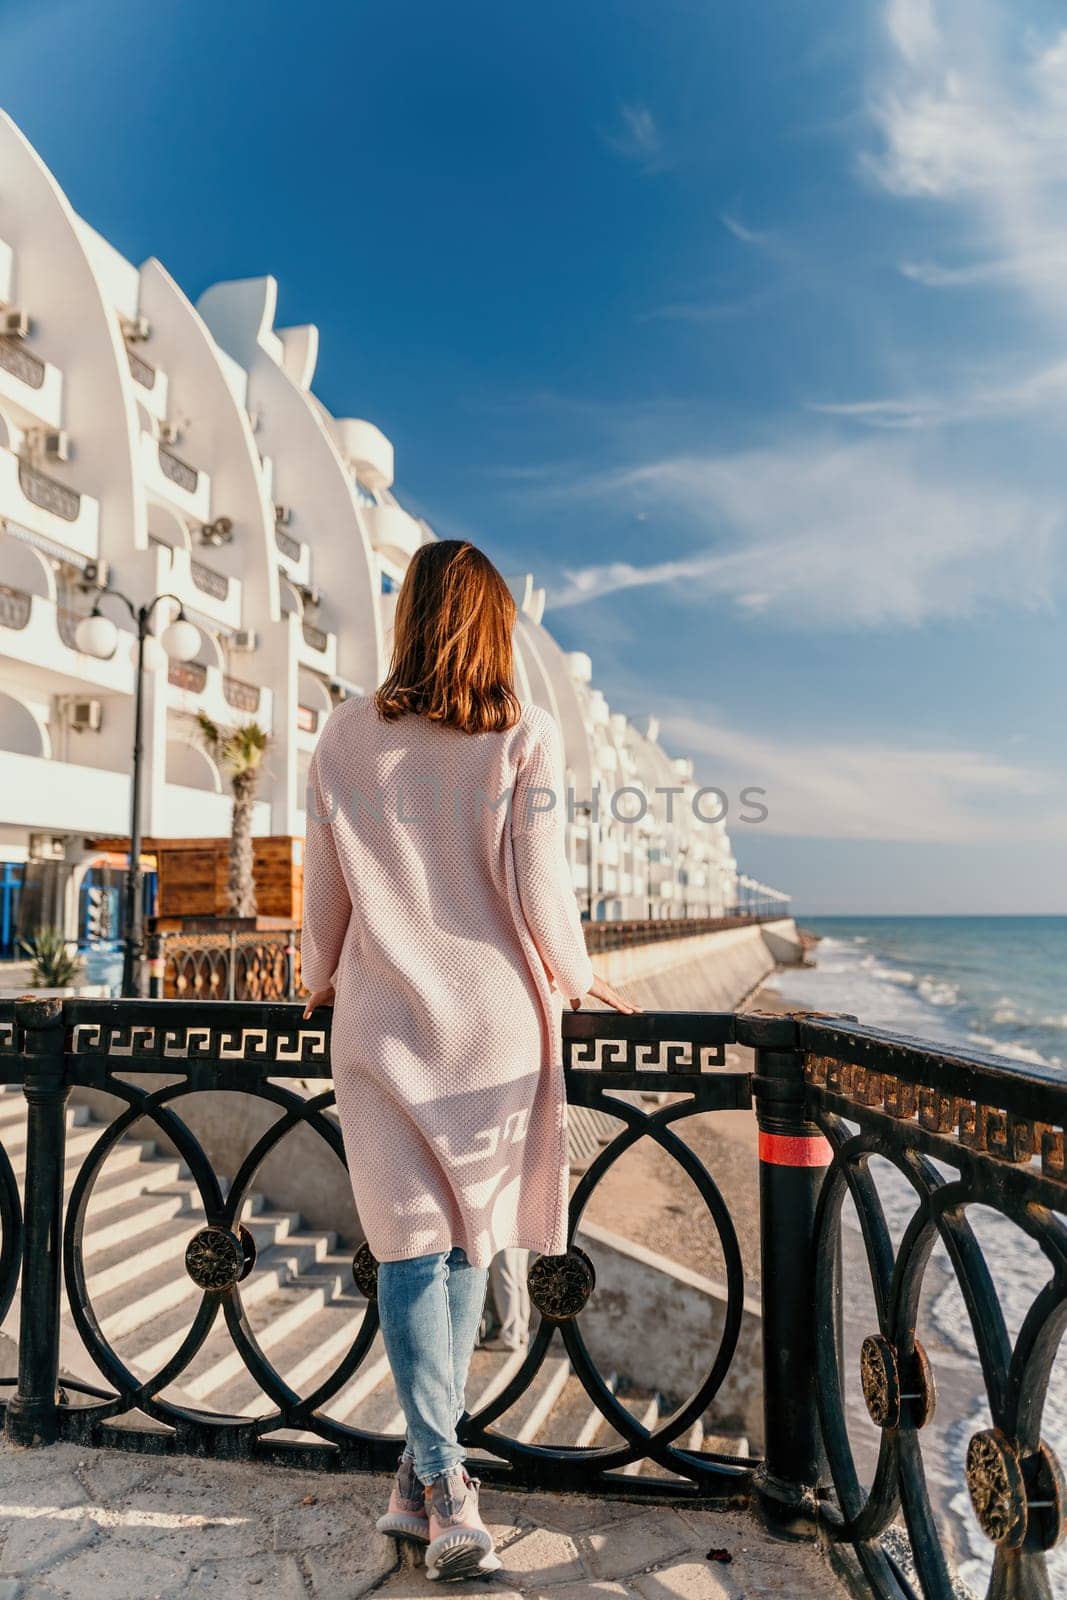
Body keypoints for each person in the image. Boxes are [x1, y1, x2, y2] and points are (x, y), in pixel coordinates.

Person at [300, 540, 637, 1581]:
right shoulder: (520, 735)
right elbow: (542, 898)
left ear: (411, 616)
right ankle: (445, 1484)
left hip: (381, 1022)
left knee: (414, 1249)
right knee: (454, 1249)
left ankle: (422, 1480)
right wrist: (580, 980)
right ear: (493, 625)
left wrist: (316, 975)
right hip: (492, 1025)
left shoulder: (342, 737)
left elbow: (324, 896)